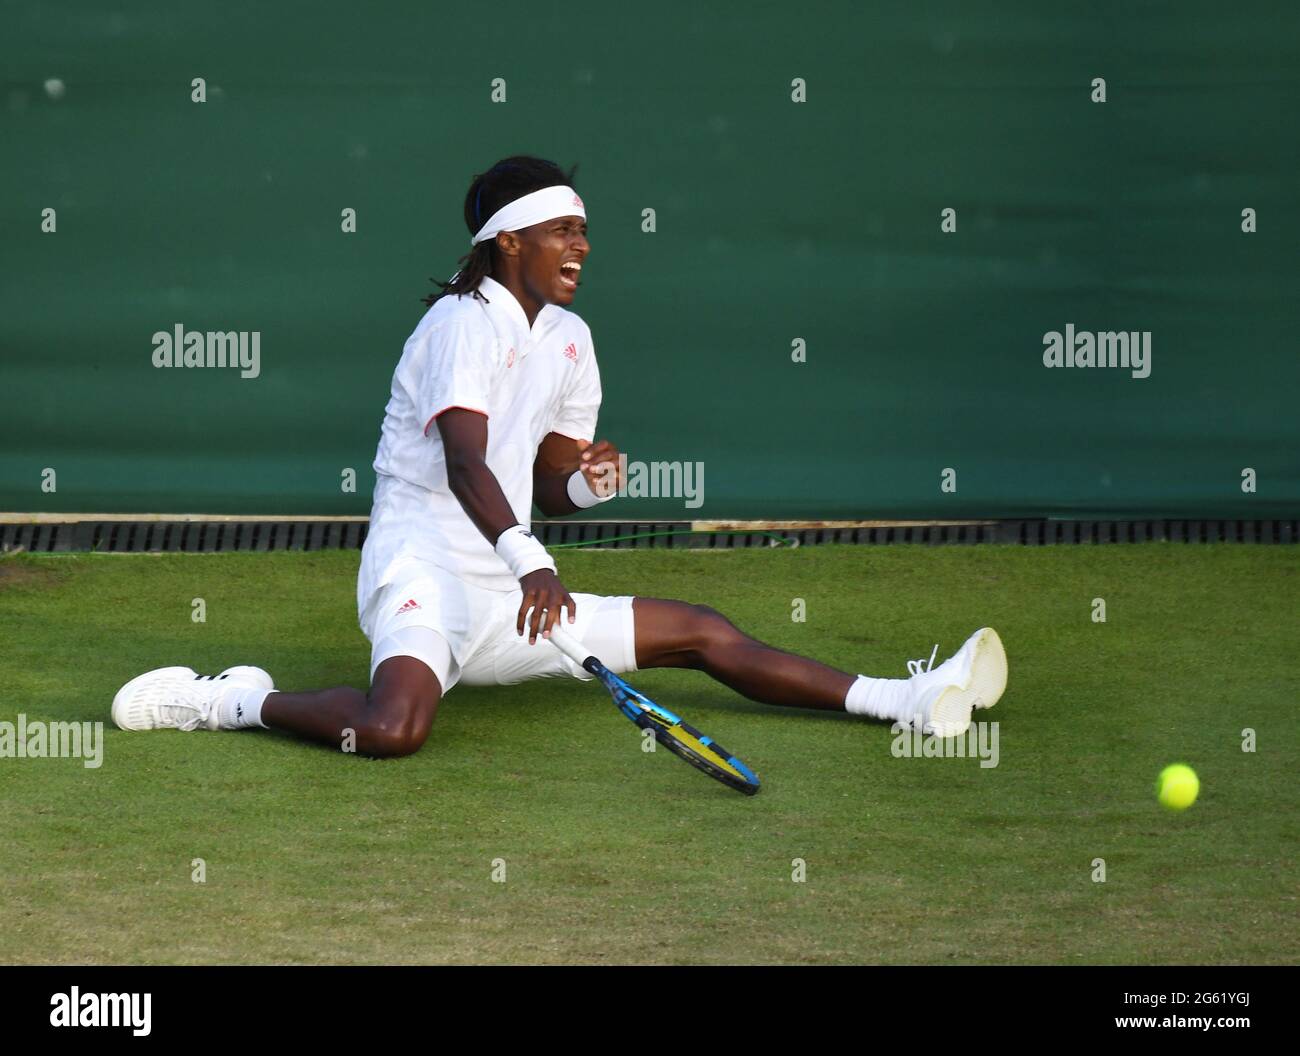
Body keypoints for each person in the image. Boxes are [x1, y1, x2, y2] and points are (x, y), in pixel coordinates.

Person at [112, 155, 1008, 756]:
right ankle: (228, 699)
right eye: (563, 231)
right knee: (394, 730)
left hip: (514, 597)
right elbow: (467, 465)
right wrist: (535, 559)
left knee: (700, 629)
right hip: (421, 569)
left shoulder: (571, 340)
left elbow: (545, 481)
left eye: (583, 231)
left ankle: (904, 699)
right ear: (510, 241)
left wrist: (582, 482)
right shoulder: (459, 324)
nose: (581, 244)